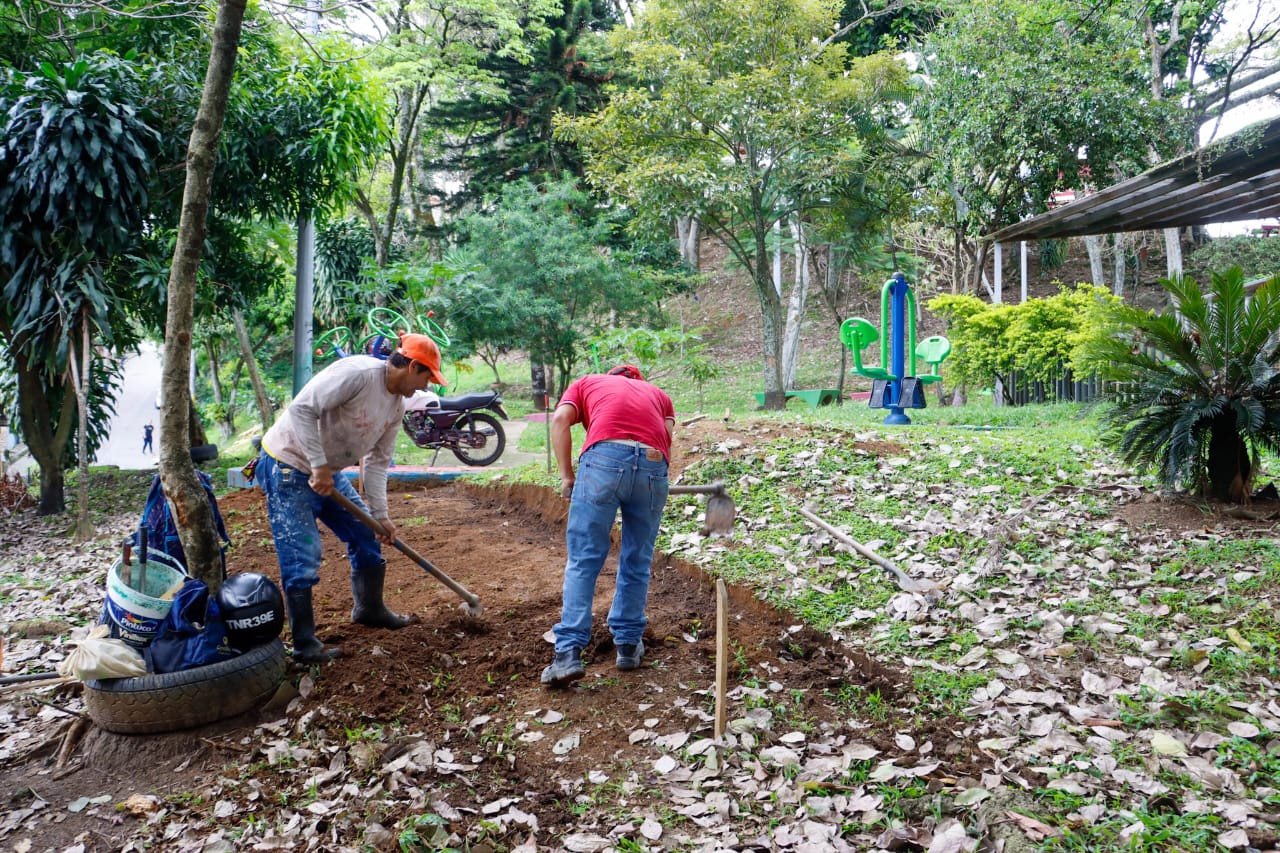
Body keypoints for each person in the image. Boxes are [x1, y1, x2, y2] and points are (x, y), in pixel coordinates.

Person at [256, 333, 446, 662]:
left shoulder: (396, 406)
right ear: (412, 366)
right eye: (426, 377)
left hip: (326, 471)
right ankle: (305, 645)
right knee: (302, 557)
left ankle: (370, 609)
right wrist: (317, 466)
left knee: (367, 533)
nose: (425, 387)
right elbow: (301, 409)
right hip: (287, 465)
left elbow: (376, 463)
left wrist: (381, 515)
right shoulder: (357, 374)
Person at [542, 365, 675, 688]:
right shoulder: (659, 396)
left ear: (611, 377)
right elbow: (666, 438)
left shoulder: (588, 383)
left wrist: (566, 476)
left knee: (584, 559)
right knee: (637, 558)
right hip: (654, 464)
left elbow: (560, 420)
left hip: (604, 459)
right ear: (638, 382)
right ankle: (629, 646)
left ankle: (568, 653)